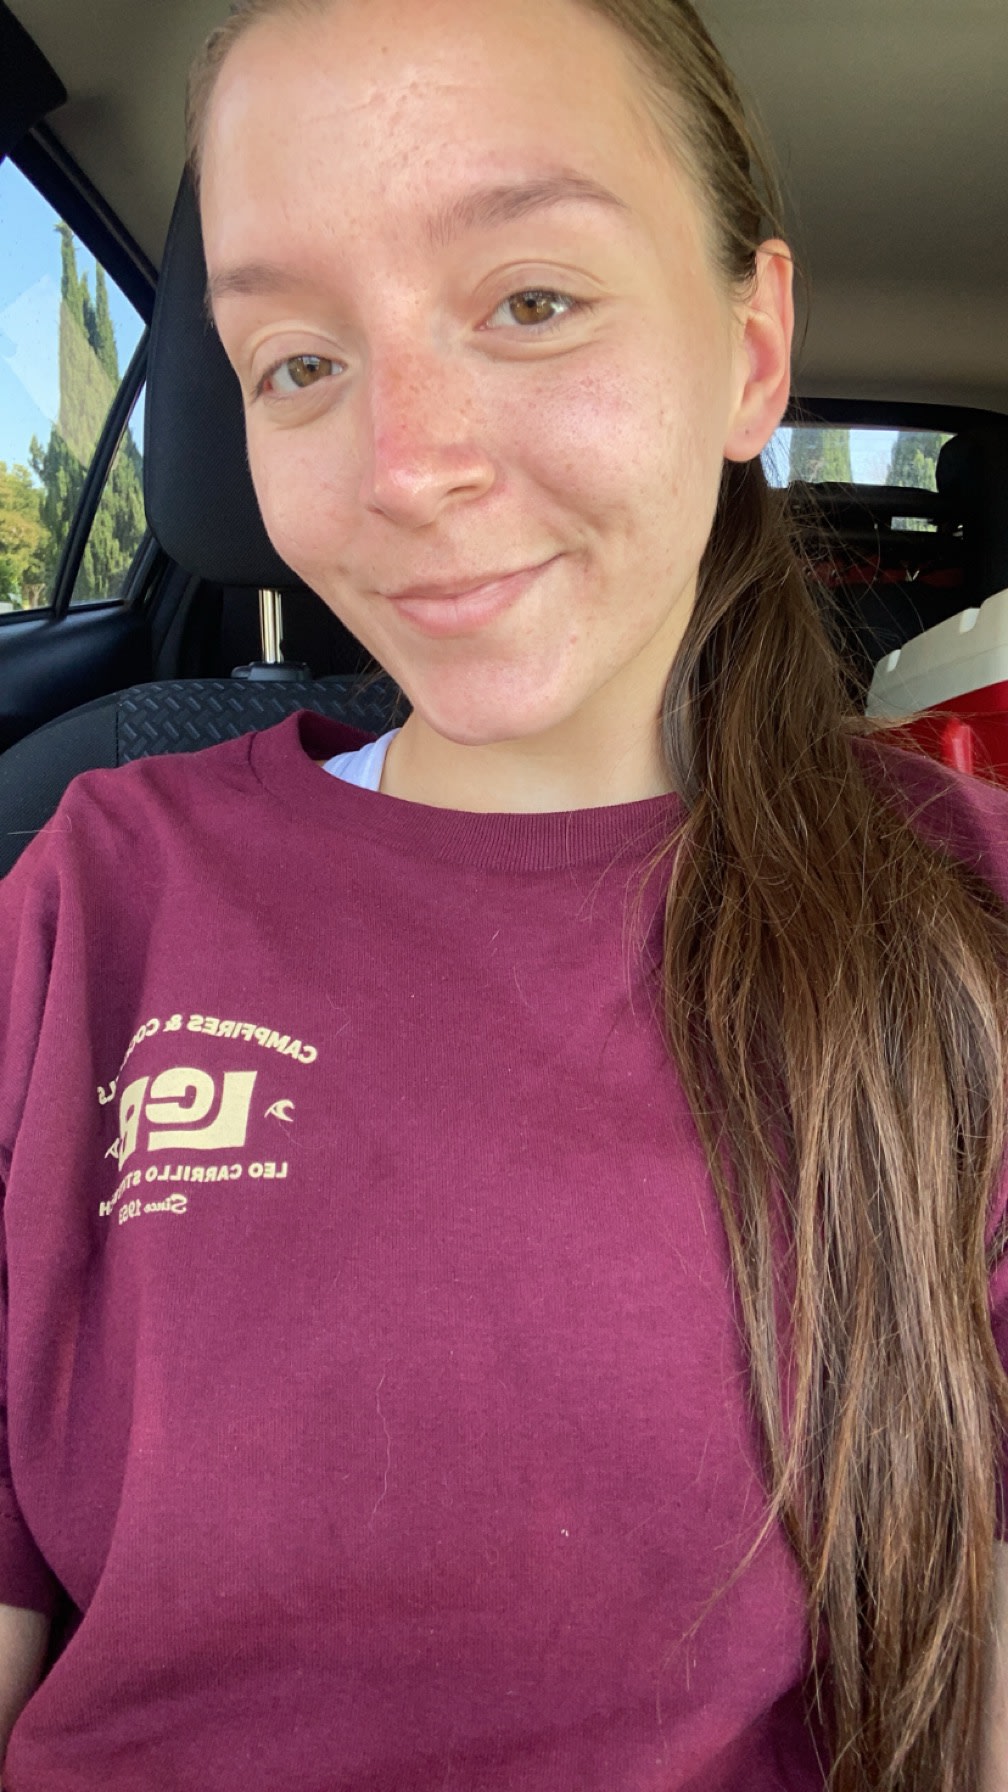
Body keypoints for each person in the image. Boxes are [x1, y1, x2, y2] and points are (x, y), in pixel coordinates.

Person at [0, 0, 1006, 1786]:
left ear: (751, 351)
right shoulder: (103, 889)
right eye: (299, 361)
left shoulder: (959, 914)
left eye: (532, 301)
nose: (408, 465)